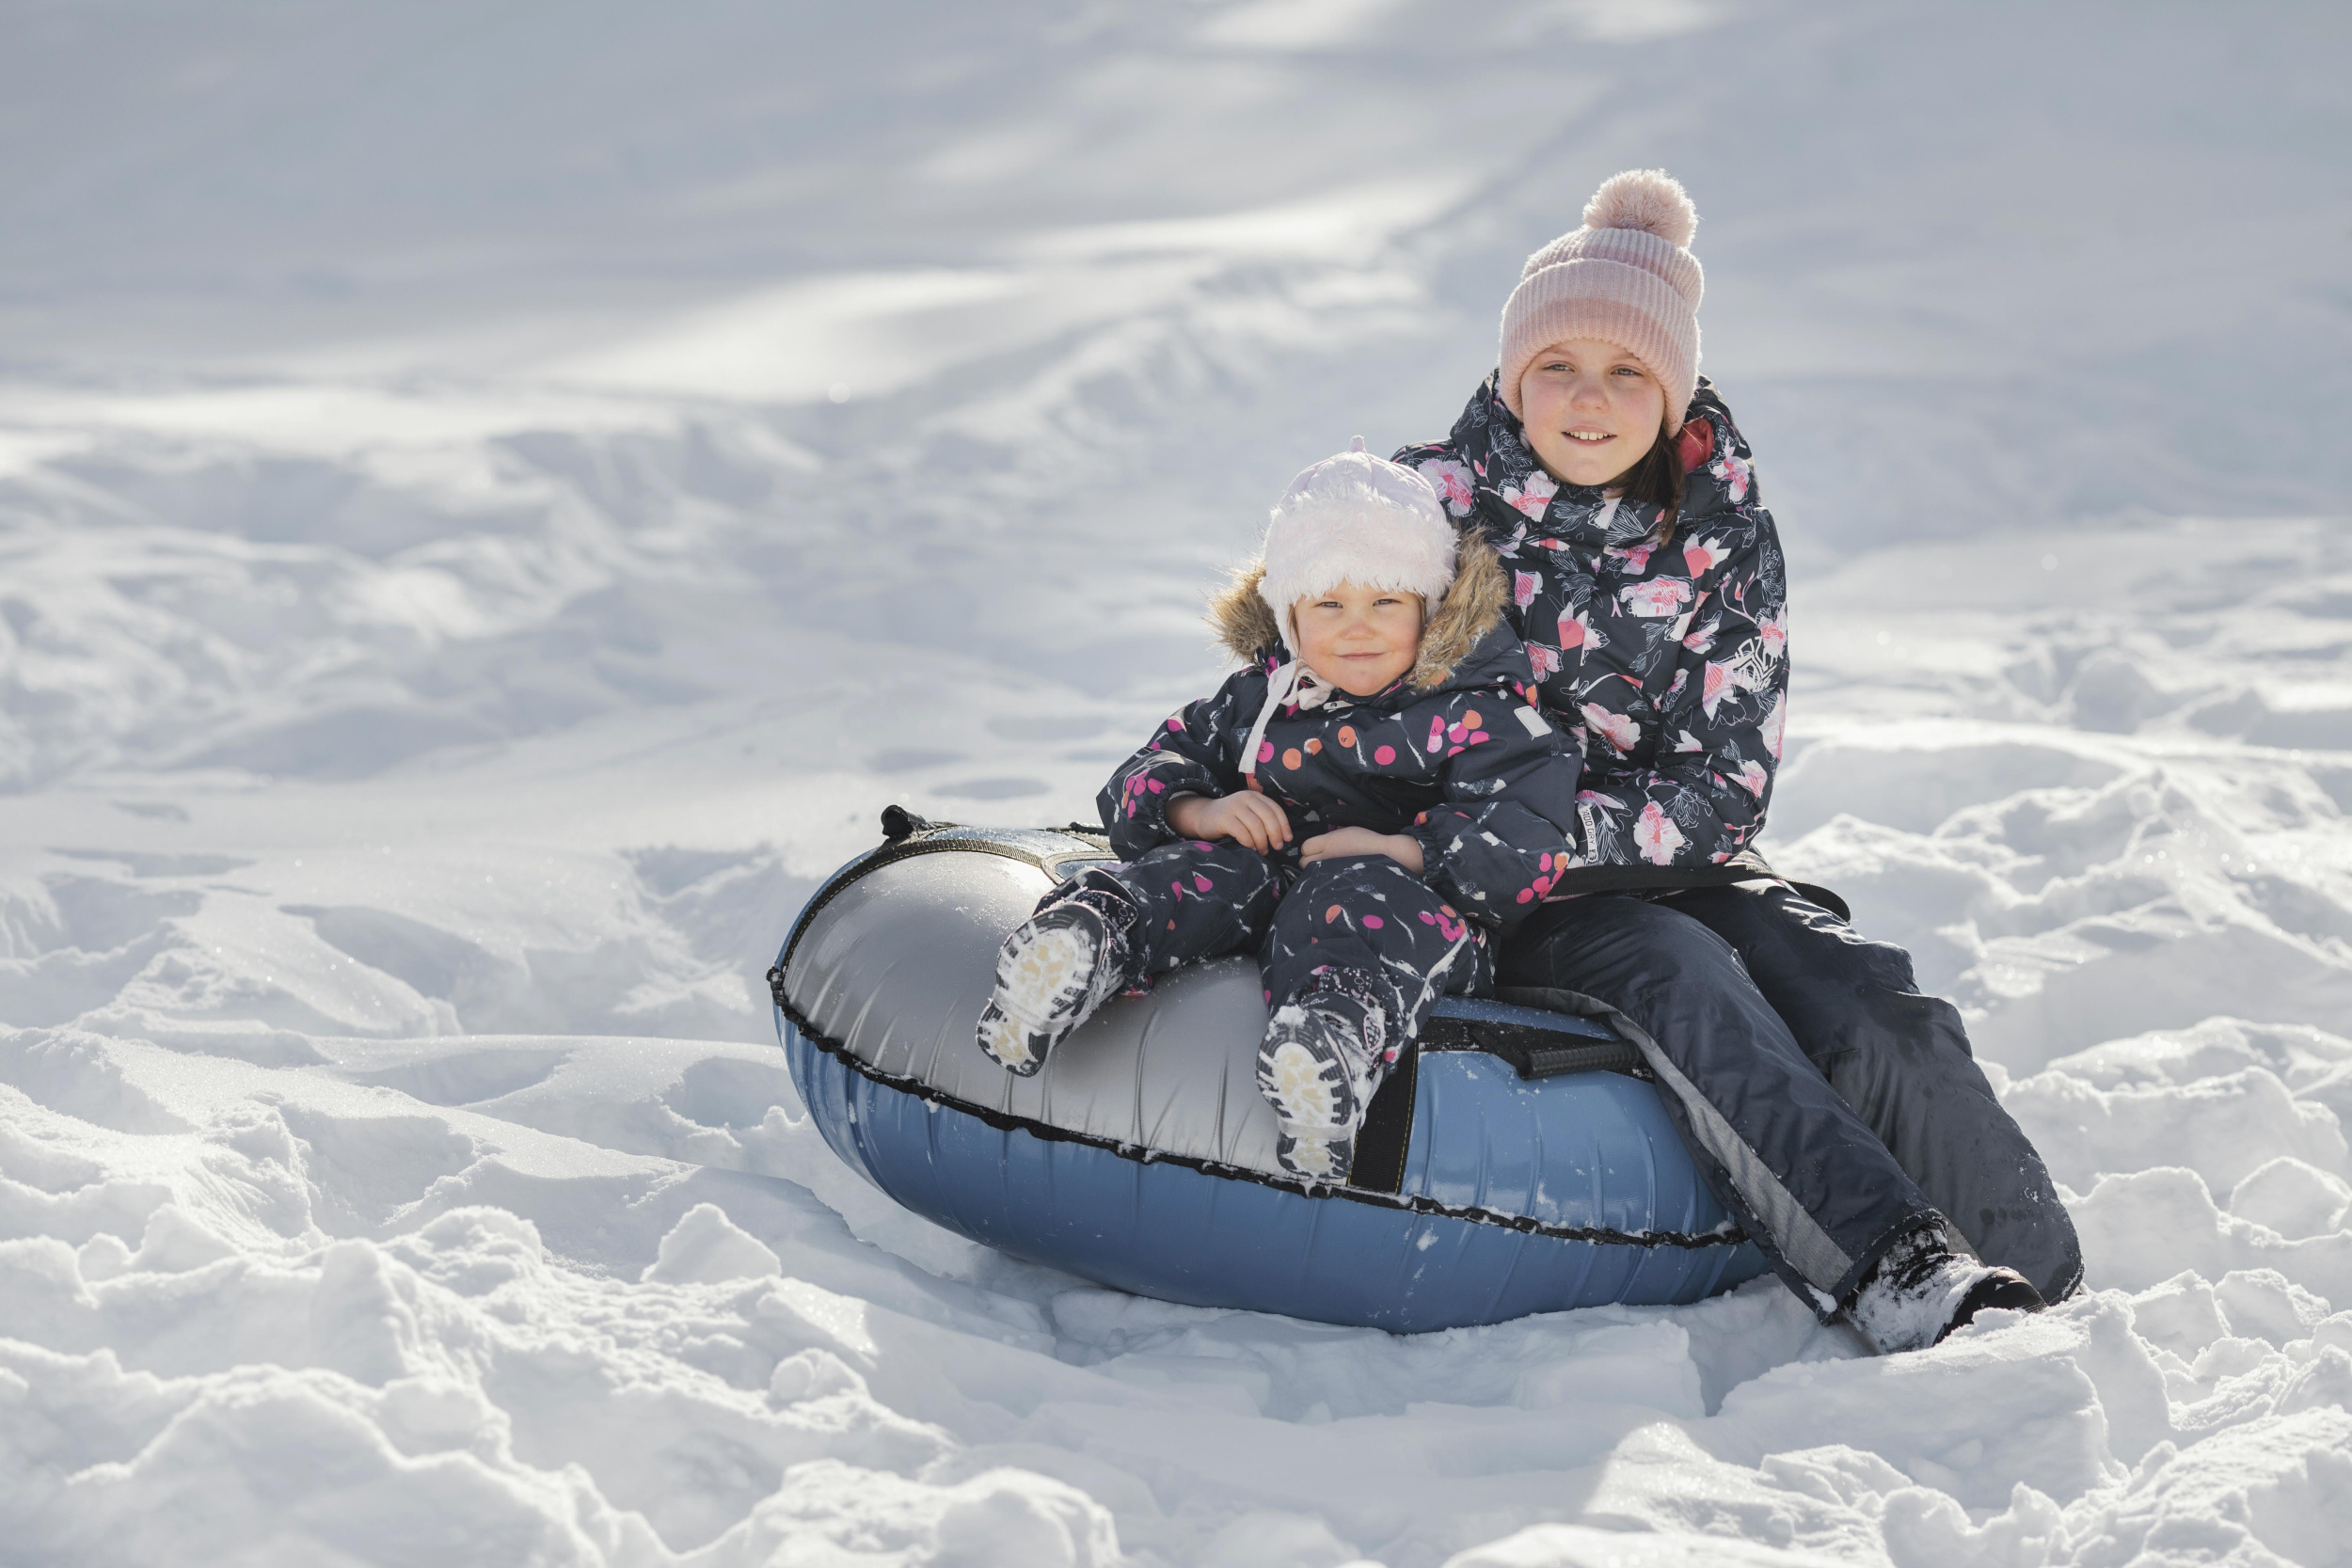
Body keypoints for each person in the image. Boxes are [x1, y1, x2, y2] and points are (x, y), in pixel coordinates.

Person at [1391, 168, 2079, 1354]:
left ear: (1672, 392)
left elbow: (1725, 784)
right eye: (1557, 365)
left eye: (1626, 373)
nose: (1588, 400)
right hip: (1503, 873)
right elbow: (1329, 681)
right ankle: (1895, 1265)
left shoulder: (1721, 532)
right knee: (1681, 971)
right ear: (1513, 379)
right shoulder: (1427, 511)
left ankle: (2045, 1282)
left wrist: (1606, 829)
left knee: (1868, 998)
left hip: (1678, 853)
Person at [975, 442, 1581, 1183]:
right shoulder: (1259, 699)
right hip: (1266, 881)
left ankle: (1332, 1042)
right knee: (1208, 869)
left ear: (1430, 603)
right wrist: (1201, 809)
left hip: (1407, 907)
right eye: (1330, 603)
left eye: (1385, 600)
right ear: (1290, 614)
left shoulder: (1478, 710)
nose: (1357, 627)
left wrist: (1405, 851)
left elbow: (1528, 838)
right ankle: (1086, 944)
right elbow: (1147, 768)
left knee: (1358, 898)